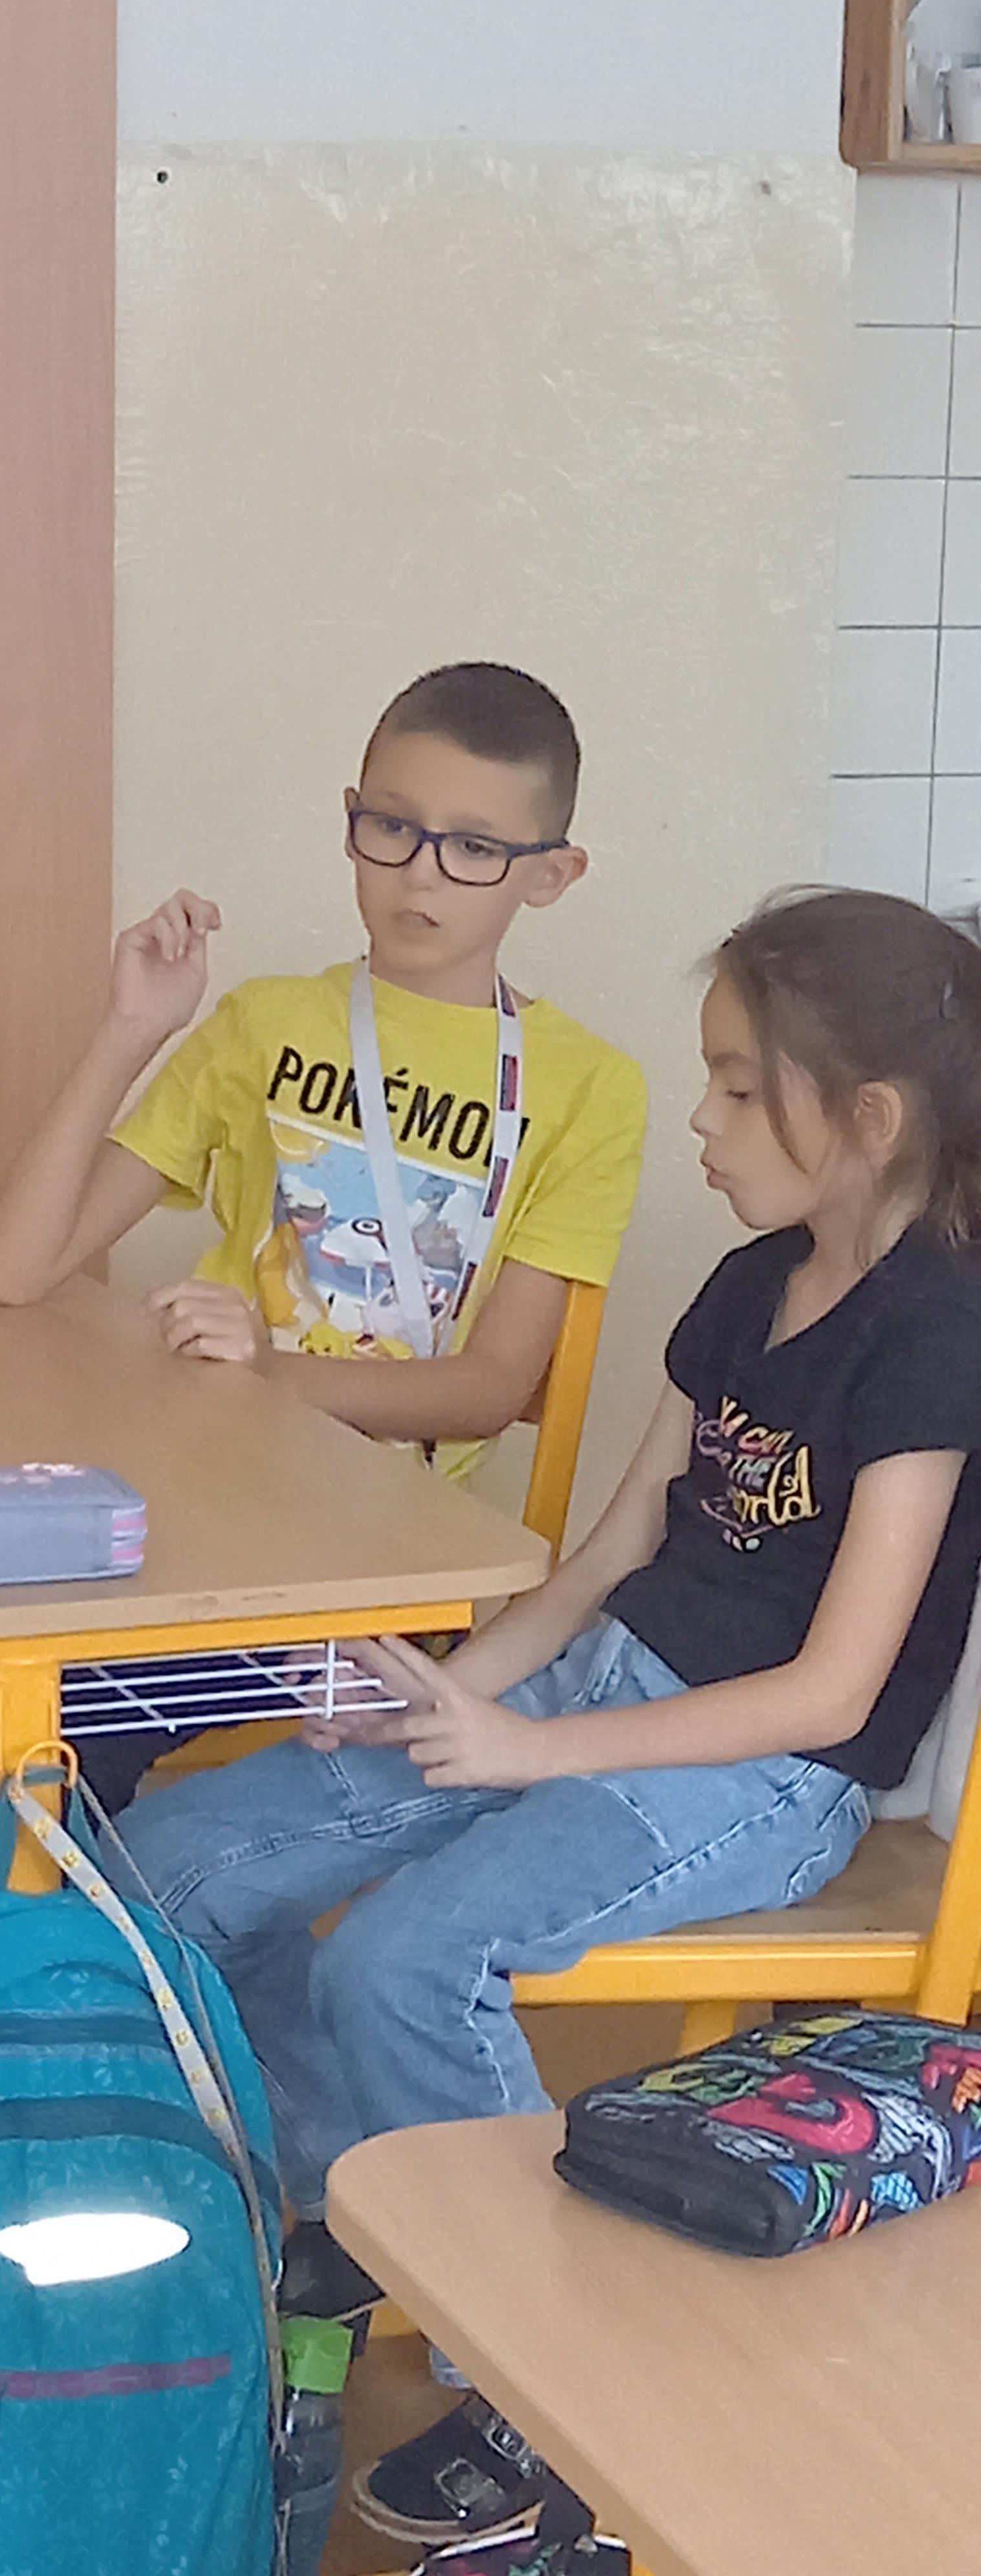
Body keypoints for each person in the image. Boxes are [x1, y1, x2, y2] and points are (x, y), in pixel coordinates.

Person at [113, 887, 981, 2553]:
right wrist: (460, 1692)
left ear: (869, 1118)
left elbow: (835, 1689)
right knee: (176, 1863)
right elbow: (611, 1555)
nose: (705, 1120)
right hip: (601, 1687)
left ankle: (540, 2379)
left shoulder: (939, 1335)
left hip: (769, 1767)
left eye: (740, 1087)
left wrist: (526, 1753)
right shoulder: (749, 1284)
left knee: (404, 1958)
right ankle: (352, 2203)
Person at [0, 663, 645, 1898]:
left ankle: (53, 1963)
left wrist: (269, 1369)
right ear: (351, 817)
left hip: (366, 1562)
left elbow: (488, 1388)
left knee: (46, 1700)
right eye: (392, 827)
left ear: (551, 874)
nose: (420, 873)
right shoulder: (266, 1026)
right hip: (184, 1494)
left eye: (475, 848)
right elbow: (17, 1266)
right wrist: (131, 1029)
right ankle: (28, 1958)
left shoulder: (588, 1089)